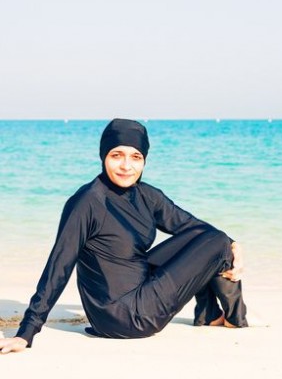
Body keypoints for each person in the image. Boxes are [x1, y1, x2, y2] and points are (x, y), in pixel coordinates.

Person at [0, 118, 248, 354]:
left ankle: (210, 313)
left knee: (211, 238)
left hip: (136, 296)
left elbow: (192, 227)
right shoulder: (86, 202)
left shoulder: (146, 195)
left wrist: (235, 247)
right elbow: (59, 266)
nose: (126, 166)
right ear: (103, 156)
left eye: (135, 157)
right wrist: (26, 333)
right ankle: (236, 317)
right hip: (126, 317)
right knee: (217, 241)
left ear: (144, 161)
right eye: (116, 155)